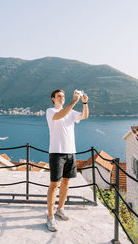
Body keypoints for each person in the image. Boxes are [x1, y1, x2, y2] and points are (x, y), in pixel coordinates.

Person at [46, 89, 89, 232]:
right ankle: (50, 217)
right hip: (57, 153)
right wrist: (74, 101)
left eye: (63, 96)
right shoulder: (50, 111)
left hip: (71, 152)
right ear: (53, 98)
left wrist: (84, 102)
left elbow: (85, 116)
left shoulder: (70, 112)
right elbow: (60, 115)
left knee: (66, 182)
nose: (62, 98)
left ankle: (60, 209)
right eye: (59, 96)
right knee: (54, 185)